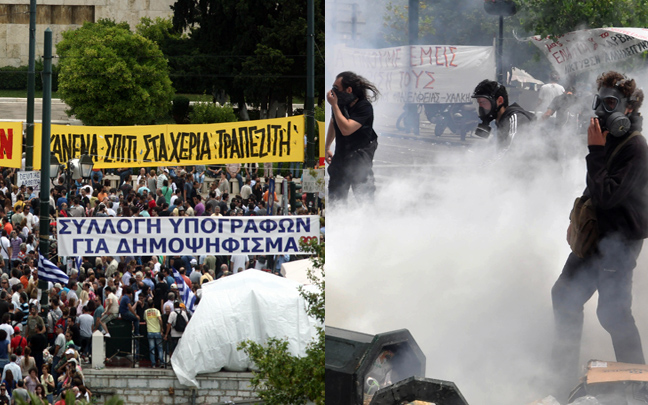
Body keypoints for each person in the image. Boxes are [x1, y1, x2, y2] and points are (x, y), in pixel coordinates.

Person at [550, 71, 648, 401]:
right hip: (598, 237)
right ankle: (560, 377)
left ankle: (639, 385)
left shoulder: (635, 147)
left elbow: (608, 196)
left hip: (619, 241)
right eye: (599, 102)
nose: (602, 111)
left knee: (613, 313)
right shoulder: (612, 139)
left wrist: (595, 151)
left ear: (629, 109)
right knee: (564, 294)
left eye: (610, 104)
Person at [325, 71, 379, 203]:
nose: (333, 92)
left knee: (364, 201)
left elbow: (346, 129)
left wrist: (335, 106)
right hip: (341, 157)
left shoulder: (364, 107)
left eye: (337, 88)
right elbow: (334, 122)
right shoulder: (339, 105)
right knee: (336, 201)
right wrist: (326, 147)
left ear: (349, 90)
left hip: (359, 159)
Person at [471, 79, 535, 151]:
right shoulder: (501, 122)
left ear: (500, 101)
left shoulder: (515, 118)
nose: (481, 107)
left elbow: (510, 151)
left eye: (483, 102)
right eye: (478, 103)